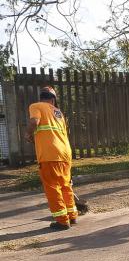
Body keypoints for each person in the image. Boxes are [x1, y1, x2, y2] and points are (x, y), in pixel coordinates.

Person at [25, 86, 78, 230]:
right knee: (65, 185)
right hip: (65, 154)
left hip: (50, 155)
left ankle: (62, 220)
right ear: (53, 99)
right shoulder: (59, 112)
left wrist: (28, 134)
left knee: (52, 186)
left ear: (41, 97)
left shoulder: (36, 106)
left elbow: (34, 122)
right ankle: (71, 215)